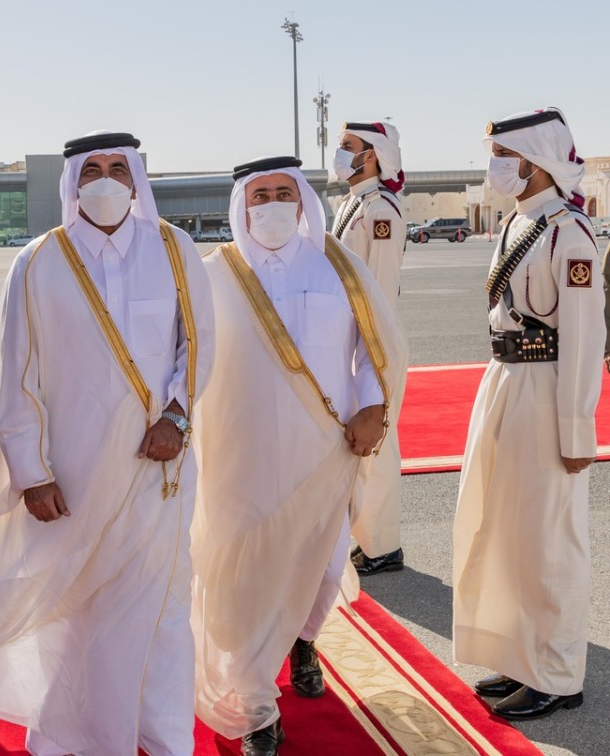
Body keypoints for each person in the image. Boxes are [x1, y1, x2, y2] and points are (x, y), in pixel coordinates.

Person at [0, 131, 213, 756]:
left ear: (135, 179)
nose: (105, 181)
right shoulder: (40, 260)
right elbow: (17, 372)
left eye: (118, 169)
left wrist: (178, 418)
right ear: (73, 181)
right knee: (68, 613)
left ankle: (163, 739)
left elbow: (199, 344)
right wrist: (32, 472)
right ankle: (65, 740)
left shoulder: (175, 250)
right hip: (66, 476)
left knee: (161, 612)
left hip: (157, 471)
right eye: (92, 170)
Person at [191, 156, 406, 756]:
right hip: (243, 456)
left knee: (326, 566)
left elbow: (378, 344)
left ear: (303, 199)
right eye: (260, 195)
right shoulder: (216, 274)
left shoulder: (338, 264)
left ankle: (304, 639)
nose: (272, 204)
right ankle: (256, 706)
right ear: (242, 205)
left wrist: (373, 406)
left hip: (327, 450)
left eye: (284, 192)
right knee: (246, 577)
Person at [454, 108, 603, 721]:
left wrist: (576, 429)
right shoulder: (521, 225)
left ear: (535, 161)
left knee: (548, 539)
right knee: (505, 526)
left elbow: (586, 338)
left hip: (547, 390)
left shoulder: (569, 233)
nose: (494, 167)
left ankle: (559, 675)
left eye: (502, 155)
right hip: (506, 380)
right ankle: (522, 657)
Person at [331, 121, 409, 576]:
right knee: (357, 446)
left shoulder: (382, 210)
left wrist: (369, 349)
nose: (340, 154)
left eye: (348, 147)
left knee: (377, 444)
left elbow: (377, 288)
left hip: (373, 336)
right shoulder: (353, 204)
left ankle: (383, 547)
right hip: (352, 336)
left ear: (372, 155)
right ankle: (364, 538)